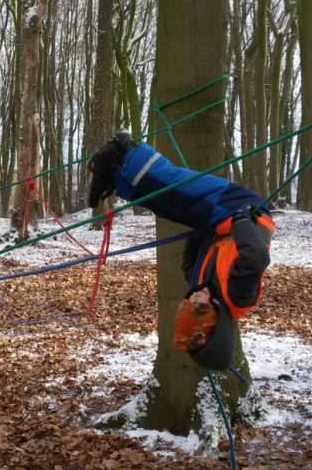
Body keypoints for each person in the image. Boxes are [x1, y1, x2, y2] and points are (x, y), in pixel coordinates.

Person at [87, 131, 275, 370]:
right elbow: (256, 257)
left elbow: (188, 263)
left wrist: (198, 231)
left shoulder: (200, 286)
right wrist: (242, 220)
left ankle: (116, 176)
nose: (194, 296)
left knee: (168, 206)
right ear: (216, 321)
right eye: (200, 305)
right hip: (245, 212)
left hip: (219, 225)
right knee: (176, 189)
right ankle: (125, 150)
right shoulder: (238, 297)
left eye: (189, 303)